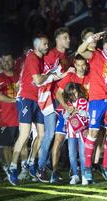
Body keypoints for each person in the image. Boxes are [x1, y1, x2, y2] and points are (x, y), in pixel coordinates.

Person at [7, 35, 58, 186]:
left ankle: (30, 163)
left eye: (48, 43)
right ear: (36, 46)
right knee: (24, 134)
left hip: (37, 99)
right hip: (26, 99)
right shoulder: (32, 57)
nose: (47, 46)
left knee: (42, 134)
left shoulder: (40, 58)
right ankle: (12, 167)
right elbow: (37, 80)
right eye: (44, 44)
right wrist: (51, 75)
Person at [77, 32, 107, 183]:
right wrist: (90, 40)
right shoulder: (96, 55)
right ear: (103, 45)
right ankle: (87, 168)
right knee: (93, 132)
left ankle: (106, 167)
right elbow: (80, 51)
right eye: (106, 43)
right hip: (97, 100)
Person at [36, 27, 71, 182]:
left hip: (60, 100)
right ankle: (40, 167)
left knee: (59, 136)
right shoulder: (51, 54)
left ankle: (49, 164)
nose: (68, 40)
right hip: (50, 99)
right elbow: (44, 76)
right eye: (65, 37)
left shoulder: (66, 57)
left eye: (68, 37)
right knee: (49, 135)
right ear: (57, 39)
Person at [51, 54, 89, 183]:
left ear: (87, 64)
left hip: (84, 118)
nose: (81, 68)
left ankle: (85, 172)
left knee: (85, 148)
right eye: (78, 65)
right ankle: (55, 172)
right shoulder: (70, 76)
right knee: (59, 140)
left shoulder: (91, 76)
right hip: (68, 116)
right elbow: (58, 94)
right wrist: (67, 108)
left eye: (83, 64)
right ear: (74, 64)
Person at [62, 82, 89, 185]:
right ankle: (75, 175)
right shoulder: (67, 104)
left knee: (83, 154)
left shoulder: (84, 102)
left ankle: (84, 175)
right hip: (71, 132)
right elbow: (64, 116)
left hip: (82, 131)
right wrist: (68, 113)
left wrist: (82, 112)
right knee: (72, 154)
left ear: (79, 91)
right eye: (70, 93)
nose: (73, 95)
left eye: (75, 92)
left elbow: (89, 115)